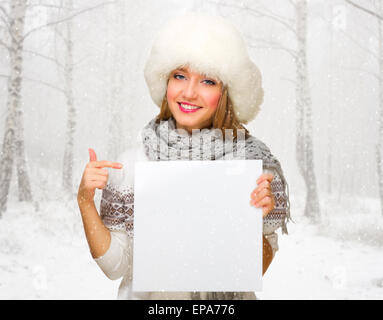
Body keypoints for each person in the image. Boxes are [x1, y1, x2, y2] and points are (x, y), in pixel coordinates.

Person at [77, 13, 291, 300]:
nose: (189, 92)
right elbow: (116, 266)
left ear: (226, 91)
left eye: (207, 81)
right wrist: (85, 201)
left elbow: (251, 272)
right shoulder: (131, 165)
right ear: (165, 81)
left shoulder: (252, 167)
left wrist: (252, 224)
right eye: (180, 76)